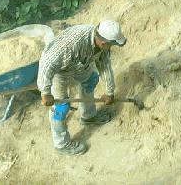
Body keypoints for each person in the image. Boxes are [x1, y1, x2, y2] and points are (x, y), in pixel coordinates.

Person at [37, 20, 127, 155]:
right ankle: (61, 144)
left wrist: (110, 92)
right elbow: (47, 63)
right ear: (103, 43)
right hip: (58, 70)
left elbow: (105, 66)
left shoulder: (101, 43)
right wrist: (45, 92)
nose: (112, 47)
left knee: (91, 79)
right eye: (112, 44)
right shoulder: (71, 44)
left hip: (78, 64)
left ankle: (88, 116)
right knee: (61, 107)